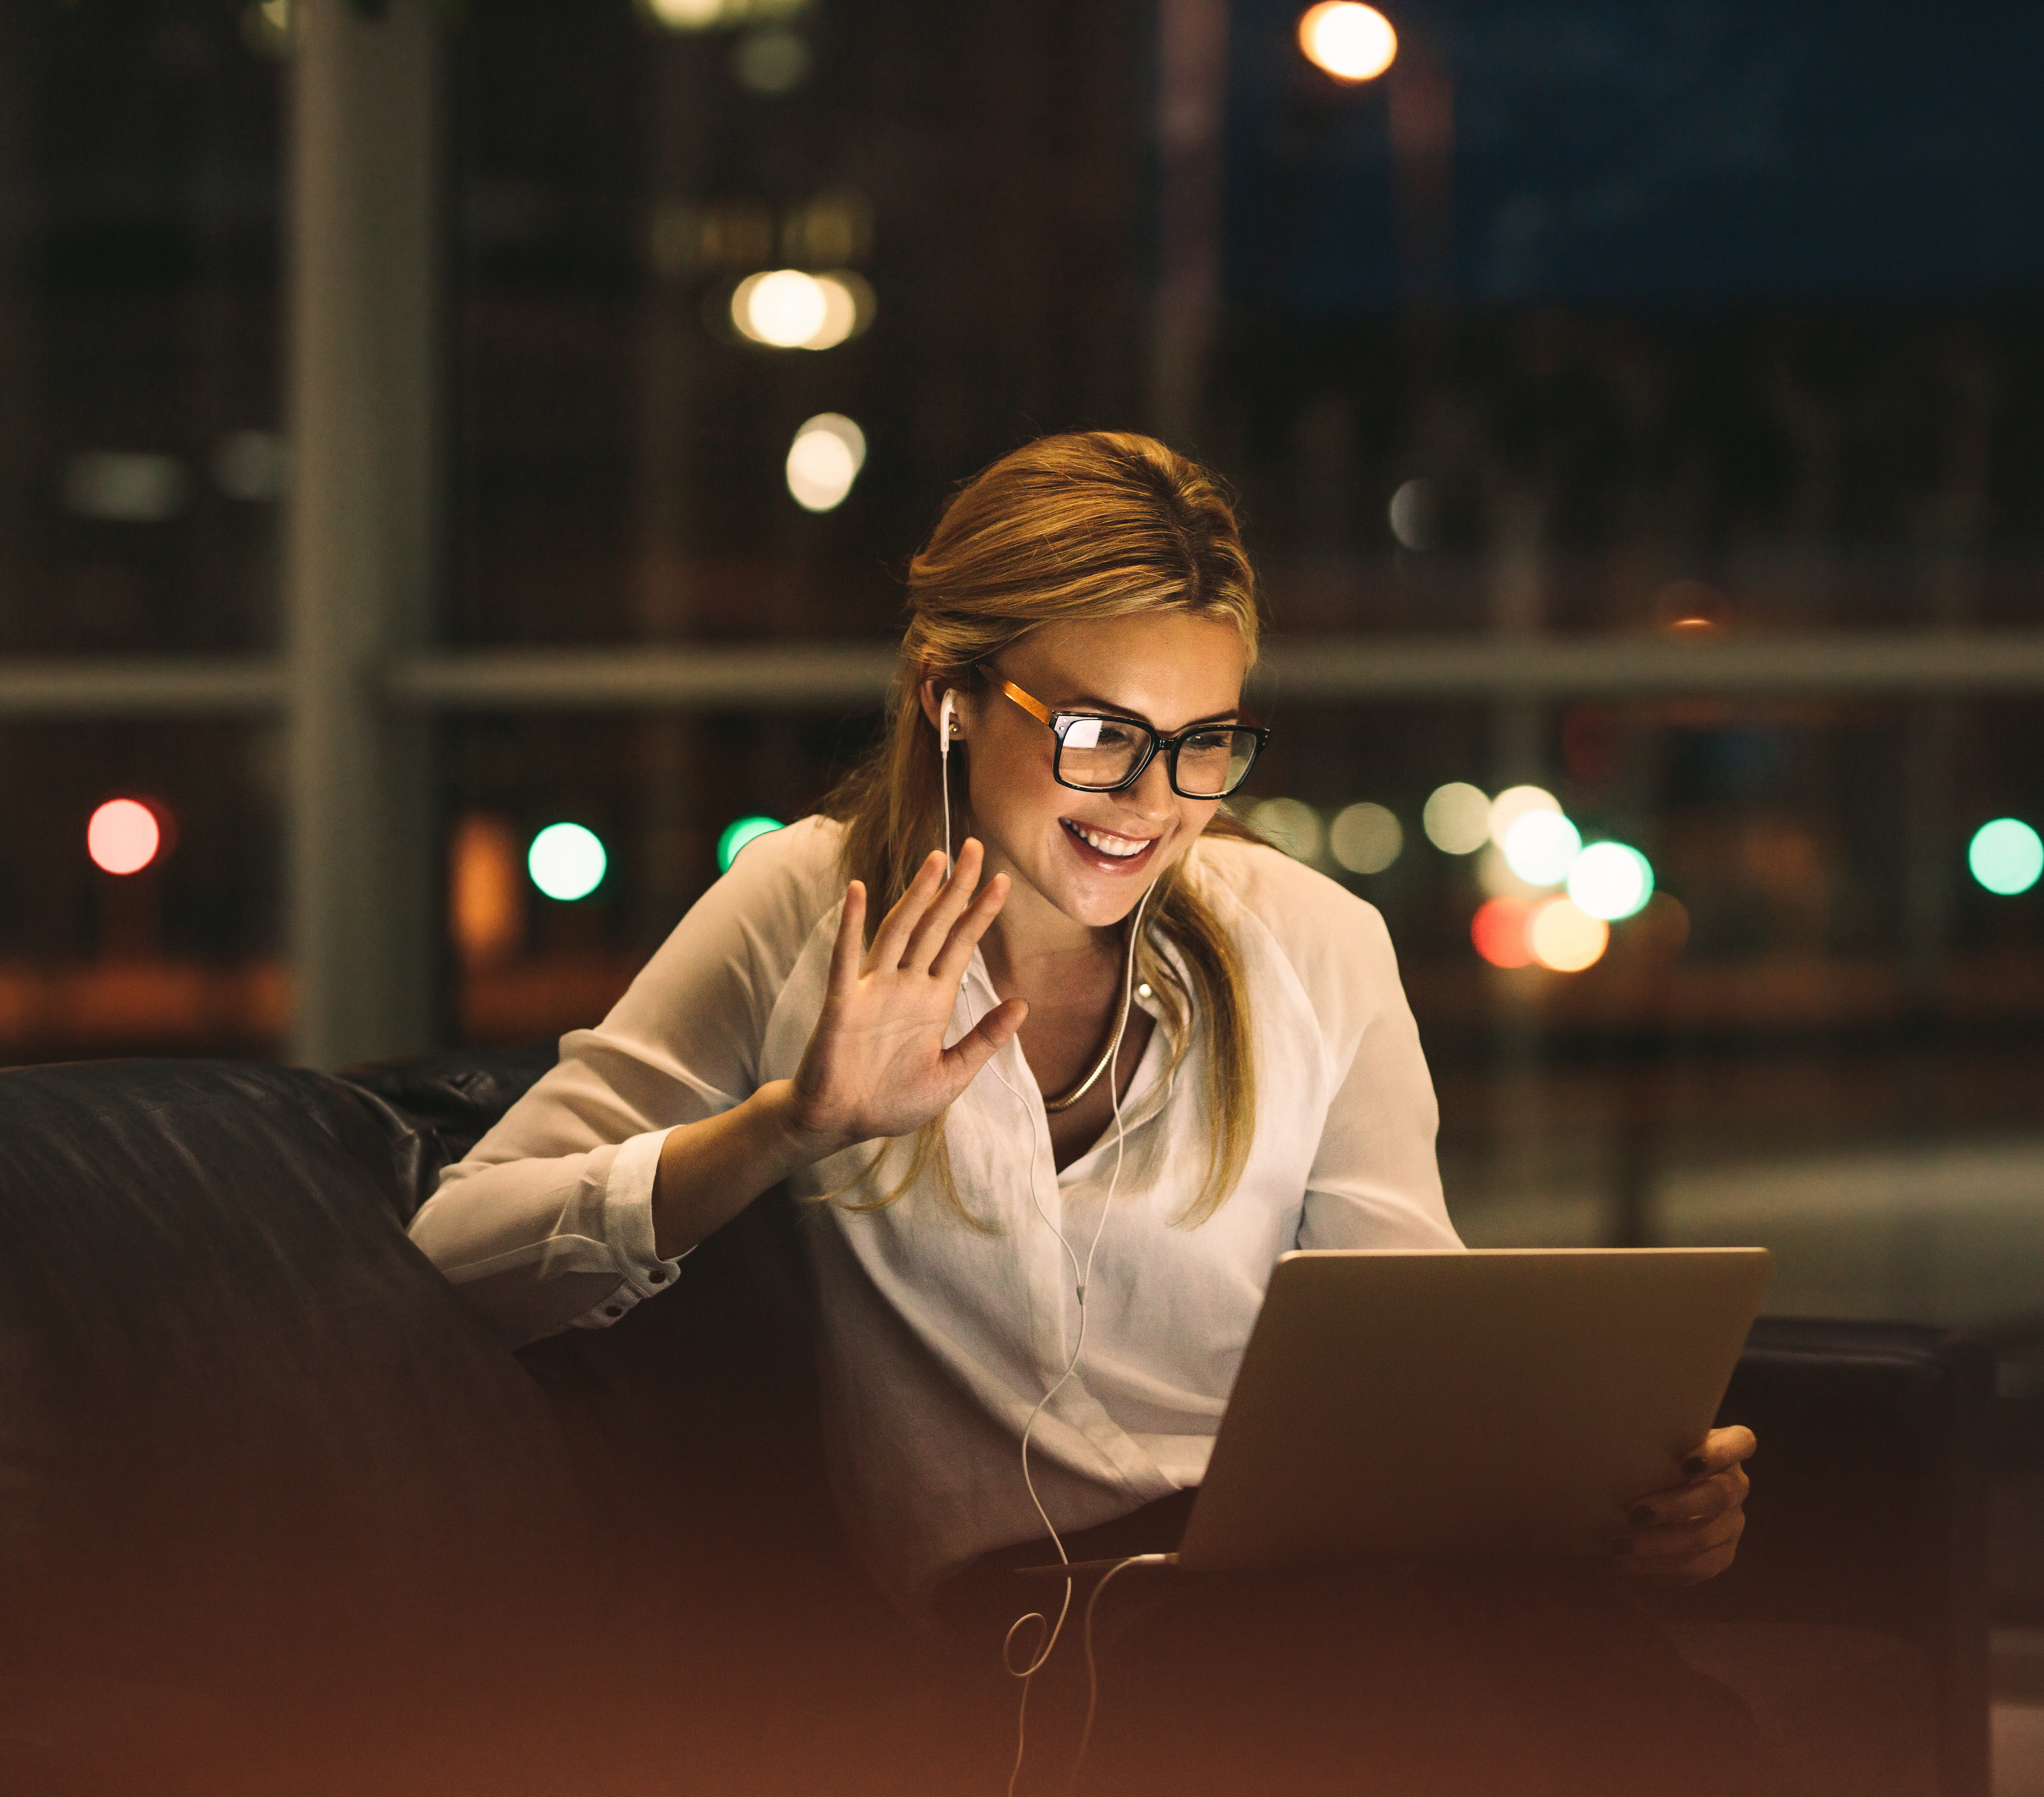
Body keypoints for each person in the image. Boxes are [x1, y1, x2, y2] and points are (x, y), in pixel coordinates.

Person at [408, 432, 1763, 1795]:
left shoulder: (1314, 942)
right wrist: (786, 1126)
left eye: (1203, 745)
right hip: (1047, 1624)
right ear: (950, 698)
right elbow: (461, 1256)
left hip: (1335, 1586)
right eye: (1100, 735)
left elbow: (1414, 1346)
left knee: (1605, 1696)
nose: (1152, 803)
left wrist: (1620, 1493)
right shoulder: (804, 912)